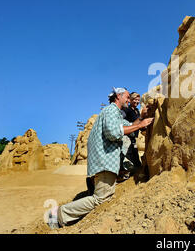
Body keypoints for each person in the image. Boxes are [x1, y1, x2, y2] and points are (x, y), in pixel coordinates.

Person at [47, 87, 153, 229]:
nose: (129, 99)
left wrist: (140, 118)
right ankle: (58, 214)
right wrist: (140, 124)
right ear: (118, 96)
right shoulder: (110, 111)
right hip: (105, 162)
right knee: (102, 199)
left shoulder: (116, 115)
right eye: (127, 97)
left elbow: (129, 127)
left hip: (108, 162)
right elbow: (114, 133)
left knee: (109, 190)